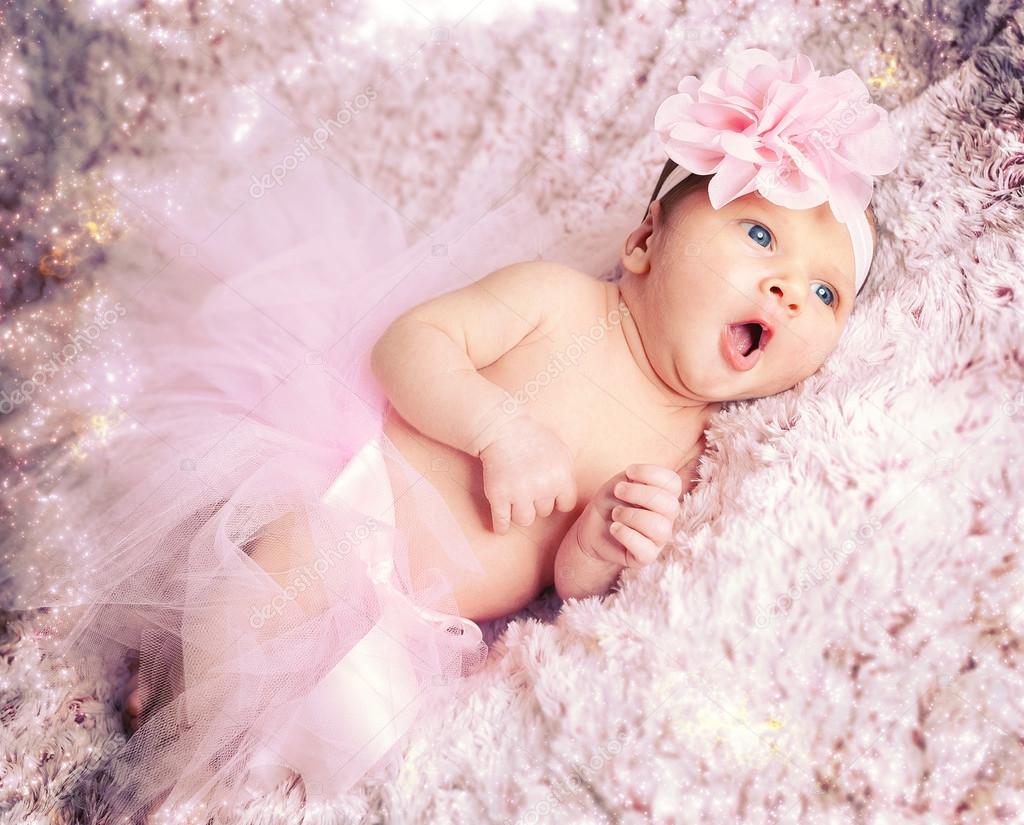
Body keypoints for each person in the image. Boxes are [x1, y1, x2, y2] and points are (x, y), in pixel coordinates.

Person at [8, 47, 899, 823]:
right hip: (353, 500)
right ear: (642, 243)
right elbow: (410, 346)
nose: (789, 290)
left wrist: (599, 543)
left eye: (826, 293)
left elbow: (566, 585)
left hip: (422, 623)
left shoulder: (685, 450)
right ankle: (157, 753)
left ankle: (195, 709)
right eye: (757, 234)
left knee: (348, 732)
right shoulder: (558, 301)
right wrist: (498, 424)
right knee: (274, 575)